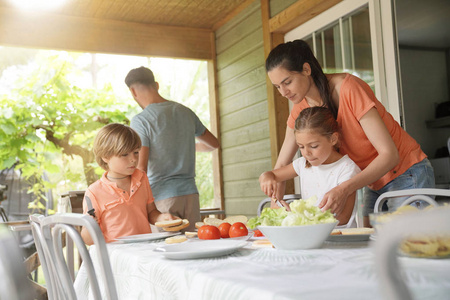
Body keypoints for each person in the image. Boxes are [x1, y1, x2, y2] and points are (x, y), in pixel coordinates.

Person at [265, 39, 435, 227]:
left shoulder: (348, 88)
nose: (283, 92)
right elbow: (280, 166)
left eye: (287, 82)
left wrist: (343, 189)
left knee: (409, 249)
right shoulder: (300, 109)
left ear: (306, 69)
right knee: (374, 249)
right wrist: (275, 215)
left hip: (406, 172)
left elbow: (390, 155)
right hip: (373, 181)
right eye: (277, 87)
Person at [125, 66, 219, 232]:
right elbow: (213, 144)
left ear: (133, 91)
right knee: (192, 251)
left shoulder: (141, 120)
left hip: (162, 201)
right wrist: (182, 146)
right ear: (157, 85)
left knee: (164, 254)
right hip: (191, 197)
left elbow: (141, 168)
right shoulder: (186, 112)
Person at [259, 107, 360, 227]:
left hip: (342, 239)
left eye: (313, 146)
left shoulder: (346, 168)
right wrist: (266, 177)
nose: (306, 153)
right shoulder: (303, 163)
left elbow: (343, 218)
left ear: (333, 139)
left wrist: (295, 217)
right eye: (301, 147)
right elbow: (273, 175)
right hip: (311, 237)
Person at [81, 123, 178, 245]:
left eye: (136, 152)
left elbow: (151, 212)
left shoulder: (142, 178)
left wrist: (161, 218)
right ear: (105, 157)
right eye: (125, 154)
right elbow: (88, 241)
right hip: (116, 255)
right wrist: (90, 225)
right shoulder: (94, 192)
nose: (133, 159)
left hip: (144, 249)